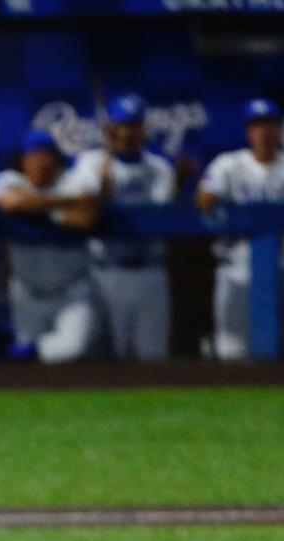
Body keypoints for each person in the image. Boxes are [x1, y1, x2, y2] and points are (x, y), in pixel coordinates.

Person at [196, 100, 284, 360]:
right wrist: (206, 197)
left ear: (279, 131)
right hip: (234, 269)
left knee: (279, 353)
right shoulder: (229, 164)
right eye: (258, 126)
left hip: (280, 272)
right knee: (231, 353)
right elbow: (205, 194)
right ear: (248, 132)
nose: (264, 132)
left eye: (270, 125)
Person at [68, 94, 178, 361]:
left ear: (143, 129)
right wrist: (105, 168)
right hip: (105, 270)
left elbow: (159, 215)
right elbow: (87, 207)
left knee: (152, 356)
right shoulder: (90, 163)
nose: (128, 132)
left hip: (149, 269)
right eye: (122, 125)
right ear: (111, 128)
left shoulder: (160, 168)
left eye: (134, 125)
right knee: (106, 357)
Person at [0, 130, 101, 364]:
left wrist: (39, 209)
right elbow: (14, 202)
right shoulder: (6, 180)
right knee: (29, 377)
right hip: (27, 292)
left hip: (72, 291)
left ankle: (26, 350)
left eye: (46, 155)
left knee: (72, 350)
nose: (41, 161)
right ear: (22, 160)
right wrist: (65, 205)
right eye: (34, 155)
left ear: (57, 158)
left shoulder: (75, 179)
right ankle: (23, 351)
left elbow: (87, 217)